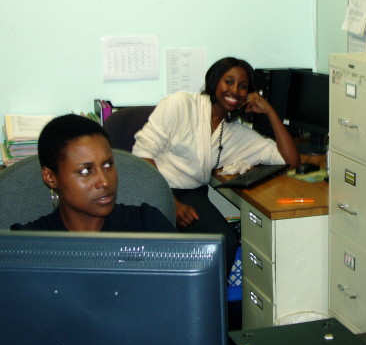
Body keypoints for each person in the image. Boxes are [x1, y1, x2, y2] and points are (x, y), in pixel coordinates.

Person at [132, 56, 300, 273]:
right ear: (214, 81)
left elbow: (290, 161)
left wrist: (270, 112)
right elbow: (141, 154)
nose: (234, 91)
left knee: (224, 241)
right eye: (228, 82)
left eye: (243, 87)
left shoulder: (233, 133)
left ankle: (209, 302)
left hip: (191, 194)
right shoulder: (180, 104)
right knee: (162, 251)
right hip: (153, 187)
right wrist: (171, 202)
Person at [11, 114, 176, 232]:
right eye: (85, 170)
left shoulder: (147, 226)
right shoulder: (30, 244)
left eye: (107, 165)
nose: (104, 182)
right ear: (50, 177)